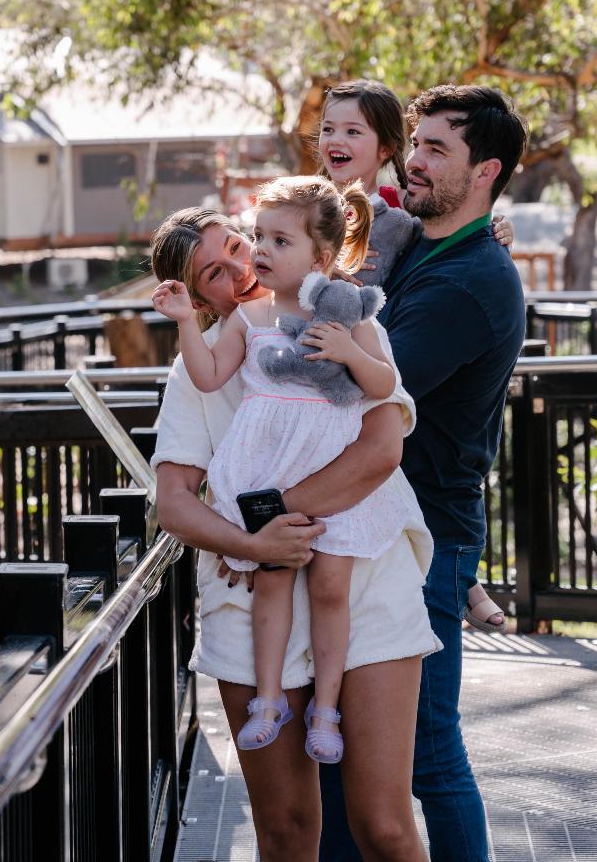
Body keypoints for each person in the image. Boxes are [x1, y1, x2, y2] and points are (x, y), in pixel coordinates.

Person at [151, 206, 438, 862]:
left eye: (237, 246)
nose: (239, 268)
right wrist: (253, 547)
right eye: (215, 274)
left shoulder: (346, 322)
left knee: (386, 825)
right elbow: (173, 503)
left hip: (362, 576)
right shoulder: (198, 370)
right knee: (285, 827)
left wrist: (257, 522)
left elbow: (379, 452)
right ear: (199, 299)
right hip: (254, 598)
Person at [318, 83, 528, 862]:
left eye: (438, 149)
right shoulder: (420, 246)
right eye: (417, 141)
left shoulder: (469, 281)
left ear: (485, 172)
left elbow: (358, 390)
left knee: (430, 756)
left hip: (426, 542)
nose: (415, 158)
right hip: (373, 525)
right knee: (333, 748)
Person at [318, 78, 510, 634]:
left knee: (421, 714)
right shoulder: (316, 209)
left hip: (420, 505)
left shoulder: (409, 231)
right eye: (329, 129)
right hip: (382, 493)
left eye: (436, 148)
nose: (417, 159)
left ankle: (465, 579)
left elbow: (376, 381)